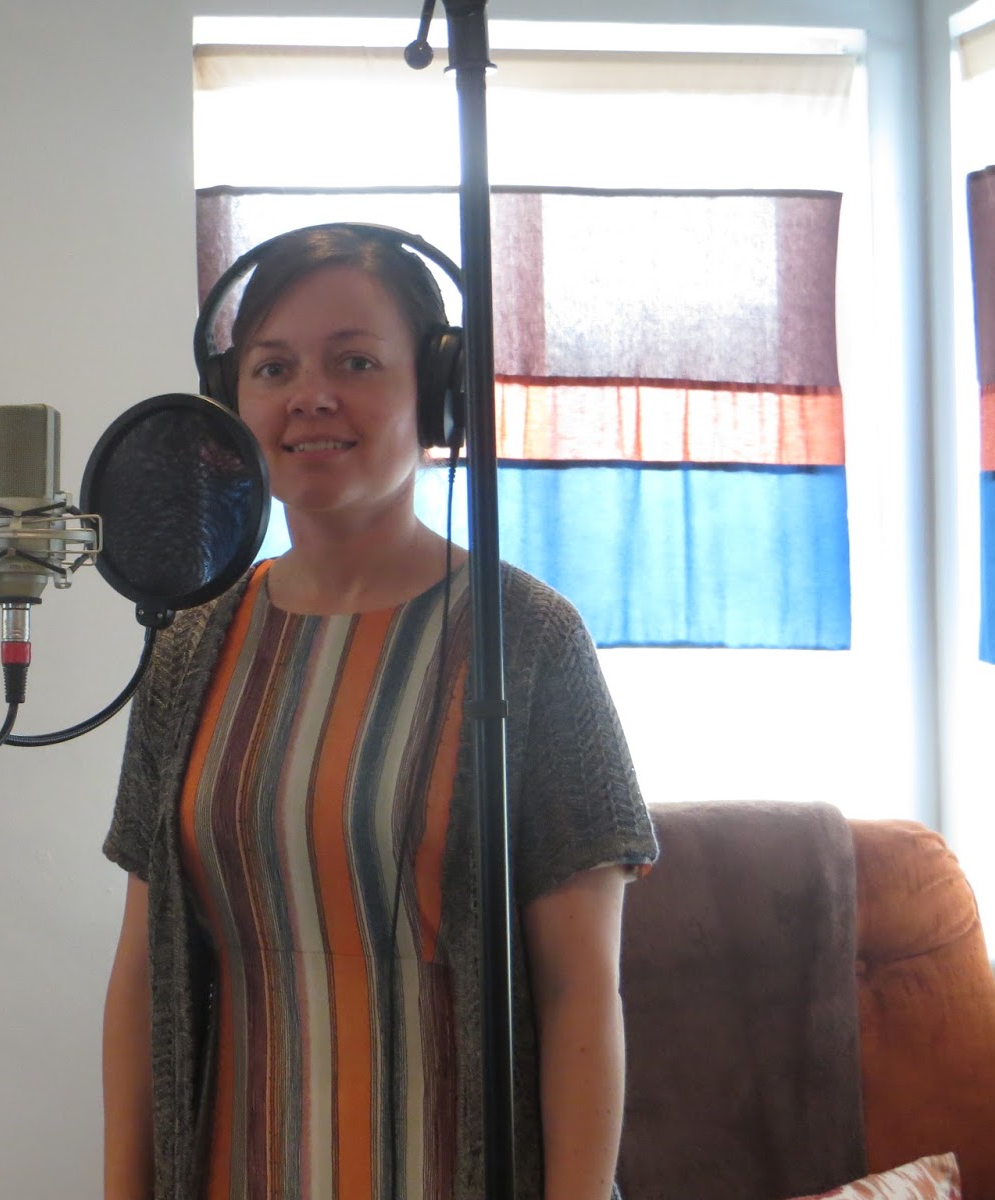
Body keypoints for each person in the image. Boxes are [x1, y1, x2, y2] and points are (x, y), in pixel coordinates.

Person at [101, 224, 658, 1200]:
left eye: (354, 361)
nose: (309, 395)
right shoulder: (188, 648)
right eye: (273, 367)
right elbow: (144, 975)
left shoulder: (527, 639)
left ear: (436, 393)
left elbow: (581, 995)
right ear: (232, 404)